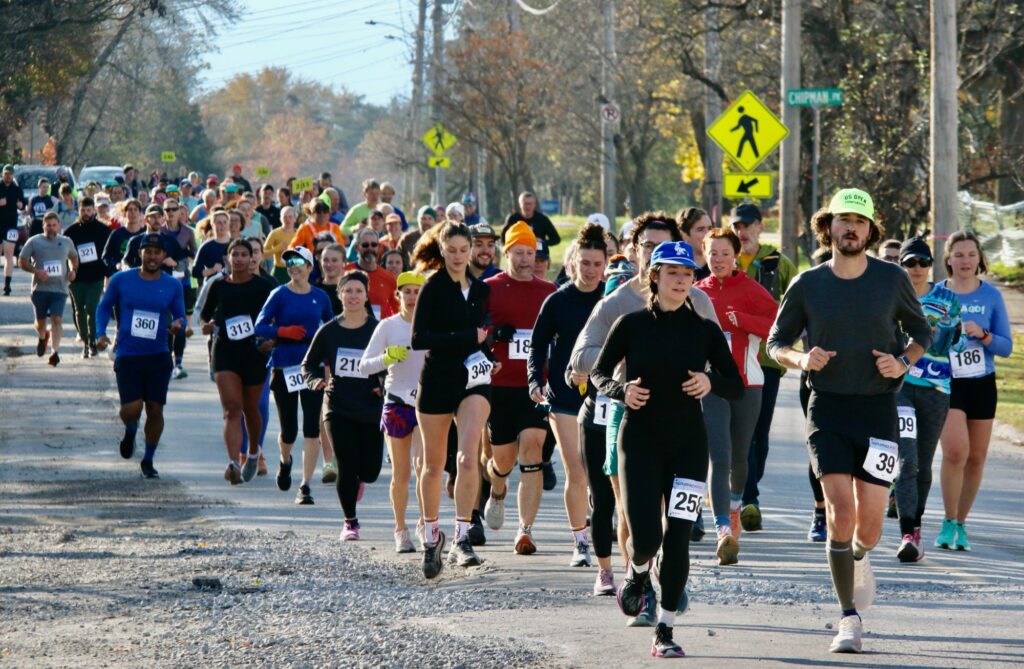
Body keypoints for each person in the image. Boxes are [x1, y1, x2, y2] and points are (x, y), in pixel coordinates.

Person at [767, 189, 932, 654]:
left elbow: (922, 331)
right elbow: (775, 343)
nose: (851, 228)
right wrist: (802, 359)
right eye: (844, 220)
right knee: (839, 513)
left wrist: (902, 362)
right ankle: (848, 618)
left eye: (860, 221)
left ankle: (857, 557)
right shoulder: (808, 283)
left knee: (870, 528)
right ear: (828, 227)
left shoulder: (891, 279)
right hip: (828, 409)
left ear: (870, 230)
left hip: (878, 411)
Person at [567, 212, 720, 625]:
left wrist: (705, 376)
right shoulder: (617, 303)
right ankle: (641, 585)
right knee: (634, 512)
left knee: (675, 522)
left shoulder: (697, 300)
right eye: (648, 246)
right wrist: (623, 375)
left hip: (683, 419)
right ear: (635, 252)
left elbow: (717, 357)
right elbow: (581, 359)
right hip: (628, 412)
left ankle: (669, 573)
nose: (654, 253)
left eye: (662, 246)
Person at [592, 240, 743, 659]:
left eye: (687, 274)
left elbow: (735, 385)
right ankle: (639, 571)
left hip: (688, 446)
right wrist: (622, 390)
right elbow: (599, 374)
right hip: (639, 441)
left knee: (678, 538)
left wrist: (711, 382)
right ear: (654, 277)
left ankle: (665, 628)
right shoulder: (631, 324)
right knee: (646, 537)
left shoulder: (705, 330)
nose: (680, 280)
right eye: (672, 273)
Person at [411, 221, 494, 576]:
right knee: (432, 466)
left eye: (464, 250)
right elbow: (419, 338)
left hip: (474, 380)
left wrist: (489, 351)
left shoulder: (481, 289)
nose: (459, 257)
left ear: (471, 250)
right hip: (438, 379)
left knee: (467, 457)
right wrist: (465, 337)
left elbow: (484, 334)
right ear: (442, 250)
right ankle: (432, 537)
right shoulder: (432, 287)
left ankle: (462, 536)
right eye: (452, 250)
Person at [694, 229, 778, 565]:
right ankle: (722, 529)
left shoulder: (751, 289)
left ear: (735, 255)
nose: (718, 260)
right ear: (704, 254)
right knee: (720, 455)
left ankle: (734, 505)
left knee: (740, 455)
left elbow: (777, 327)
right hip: (710, 385)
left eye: (724, 254)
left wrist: (740, 320)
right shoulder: (696, 292)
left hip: (747, 384)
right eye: (712, 253)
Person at [528, 223, 608, 576]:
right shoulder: (557, 301)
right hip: (563, 397)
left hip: (604, 394)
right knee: (576, 469)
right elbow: (537, 346)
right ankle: (580, 541)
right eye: (584, 263)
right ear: (573, 262)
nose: (589, 270)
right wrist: (535, 380)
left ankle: (600, 520)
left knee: (599, 472)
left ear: (605, 265)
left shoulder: (610, 300)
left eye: (596, 264)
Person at [480, 222, 557, 555]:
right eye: (519, 253)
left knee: (533, 448)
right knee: (502, 461)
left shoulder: (549, 291)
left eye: (530, 253)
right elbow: (473, 331)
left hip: (535, 386)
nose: (526, 259)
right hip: (499, 386)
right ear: (506, 253)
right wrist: (494, 334)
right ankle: (497, 489)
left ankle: (525, 530)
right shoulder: (489, 288)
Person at [936, 230, 1013, 552]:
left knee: (977, 458)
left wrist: (983, 335)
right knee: (956, 451)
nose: (965, 261)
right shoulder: (938, 294)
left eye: (971, 254)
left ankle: (960, 523)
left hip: (982, 382)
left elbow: (1006, 347)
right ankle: (947, 520)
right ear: (948, 259)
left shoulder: (991, 296)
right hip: (947, 382)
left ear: (979, 258)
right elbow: (923, 340)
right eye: (959, 255)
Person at [890, 237, 964, 561]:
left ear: (931, 265)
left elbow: (958, 344)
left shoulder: (947, 298)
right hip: (901, 388)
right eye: (910, 262)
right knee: (907, 460)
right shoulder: (892, 295)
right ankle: (907, 534)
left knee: (923, 462)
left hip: (936, 390)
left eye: (923, 262)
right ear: (901, 265)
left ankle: (916, 527)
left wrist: (949, 334)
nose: (917, 268)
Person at [729, 202, 798, 532]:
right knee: (736, 430)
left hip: (767, 360)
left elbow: (796, 304)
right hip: (731, 359)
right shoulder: (725, 260)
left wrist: (791, 342)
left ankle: (747, 490)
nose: (742, 232)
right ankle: (747, 497)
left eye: (747, 226)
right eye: (736, 227)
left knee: (760, 433)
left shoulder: (779, 263)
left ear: (760, 227)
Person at [301, 271, 384, 539]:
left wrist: (382, 382)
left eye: (359, 291)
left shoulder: (378, 330)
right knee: (346, 466)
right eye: (348, 291)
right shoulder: (329, 331)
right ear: (340, 295)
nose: (353, 296)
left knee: (370, 471)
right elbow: (307, 364)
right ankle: (350, 522)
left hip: (370, 407)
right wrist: (315, 381)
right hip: (338, 407)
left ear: (367, 295)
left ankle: (359, 480)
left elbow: (393, 363)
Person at [95, 233, 186, 478]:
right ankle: (131, 430)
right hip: (128, 354)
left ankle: (148, 459)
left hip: (158, 354)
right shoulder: (121, 280)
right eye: (148, 252)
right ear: (140, 254)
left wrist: (179, 325)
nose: (152, 257)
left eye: (157, 253)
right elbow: (104, 306)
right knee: (131, 409)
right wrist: (100, 333)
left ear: (164, 256)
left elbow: (181, 316)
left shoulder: (172, 285)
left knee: (156, 409)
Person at [254, 246, 333, 503]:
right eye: (289, 263)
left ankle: (305, 485)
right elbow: (259, 326)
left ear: (310, 267)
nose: (293, 267)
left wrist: (328, 358)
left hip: (312, 367)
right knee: (289, 430)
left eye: (298, 262)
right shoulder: (279, 294)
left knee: (311, 427)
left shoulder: (320, 297)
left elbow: (331, 327)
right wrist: (283, 332)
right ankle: (285, 459)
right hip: (284, 365)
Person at [361, 271, 427, 552]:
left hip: (428, 405)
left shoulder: (432, 325)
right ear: (398, 296)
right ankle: (400, 529)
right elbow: (364, 366)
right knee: (401, 473)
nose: (412, 297)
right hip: (397, 403)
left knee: (425, 468)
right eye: (407, 292)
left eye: (417, 292)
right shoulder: (387, 326)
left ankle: (426, 523)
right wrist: (386, 358)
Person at [200, 239, 275, 485]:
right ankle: (233, 462)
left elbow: (276, 317)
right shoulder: (218, 285)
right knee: (232, 409)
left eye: (245, 254)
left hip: (255, 353)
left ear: (252, 258)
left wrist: (271, 339)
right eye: (236, 254)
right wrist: (207, 326)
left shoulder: (264, 286)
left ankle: (253, 453)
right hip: (225, 352)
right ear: (228, 258)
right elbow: (205, 316)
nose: (240, 259)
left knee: (251, 409)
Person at [19, 212, 79, 366]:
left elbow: (74, 257)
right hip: (40, 289)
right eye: (48, 225)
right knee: (40, 322)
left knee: (56, 318)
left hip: (60, 289)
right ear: (43, 226)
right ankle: (42, 336)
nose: (51, 228)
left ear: (59, 225)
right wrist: (36, 271)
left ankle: (54, 352)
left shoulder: (66, 241)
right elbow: (22, 260)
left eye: (54, 225)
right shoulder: (34, 241)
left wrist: (73, 270)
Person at [63, 197, 110, 358]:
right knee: (79, 310)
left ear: (94, 210)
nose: (86, 213)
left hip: (96, 277)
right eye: (83, 210)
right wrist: (68, 272)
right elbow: (63, 254)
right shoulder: (71, 232)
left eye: (89, 210)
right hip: (77, 277)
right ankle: (85, 342)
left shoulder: (103, 230)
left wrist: (108, 273)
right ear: (79, 211)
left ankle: (93, 341)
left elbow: (108, 254)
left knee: (91, 308)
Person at [161, 199, 198, 379]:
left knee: (180, 321)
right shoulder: (159, 232)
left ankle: (179, 362)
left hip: (183, 281)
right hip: (163, 282)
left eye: (174, 209)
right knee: (167, 322)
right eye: (167, 209)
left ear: (179, 211)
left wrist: (180, 262)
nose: (171, 212)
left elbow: (195, 256)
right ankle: (168, 361)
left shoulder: (188, 232)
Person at [346, 227, 398, 320]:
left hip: (378, 328)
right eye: (365, 245)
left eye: (374, 244)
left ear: (378, 247)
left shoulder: (388, 278)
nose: (370, 248)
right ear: (357, 247)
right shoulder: (345, 272)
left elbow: (397, 311)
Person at [1, 164, 27, 295]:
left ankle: (7, 286)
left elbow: (23, 204)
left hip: (11, 225)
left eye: (10, 174)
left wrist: (21, 205)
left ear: (13, 176)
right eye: (6, 174)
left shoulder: (17, 190)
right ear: (2, 174)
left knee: (9, 254)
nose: (8, 176)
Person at [265, 206, 298, 284]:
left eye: (290, 217)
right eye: (285, 217)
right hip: (279, 271)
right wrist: (277, 248)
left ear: (295, 219)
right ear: (280, 219)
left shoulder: (298, 234)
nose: (287, 220)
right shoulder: (274, 233)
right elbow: (263, 253)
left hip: (295, 270)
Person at [678, 207, 713, 281]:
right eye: (700, 229)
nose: (708, 234)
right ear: (684, 236)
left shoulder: (719, 269)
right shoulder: (676, 271)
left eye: (710, 228)